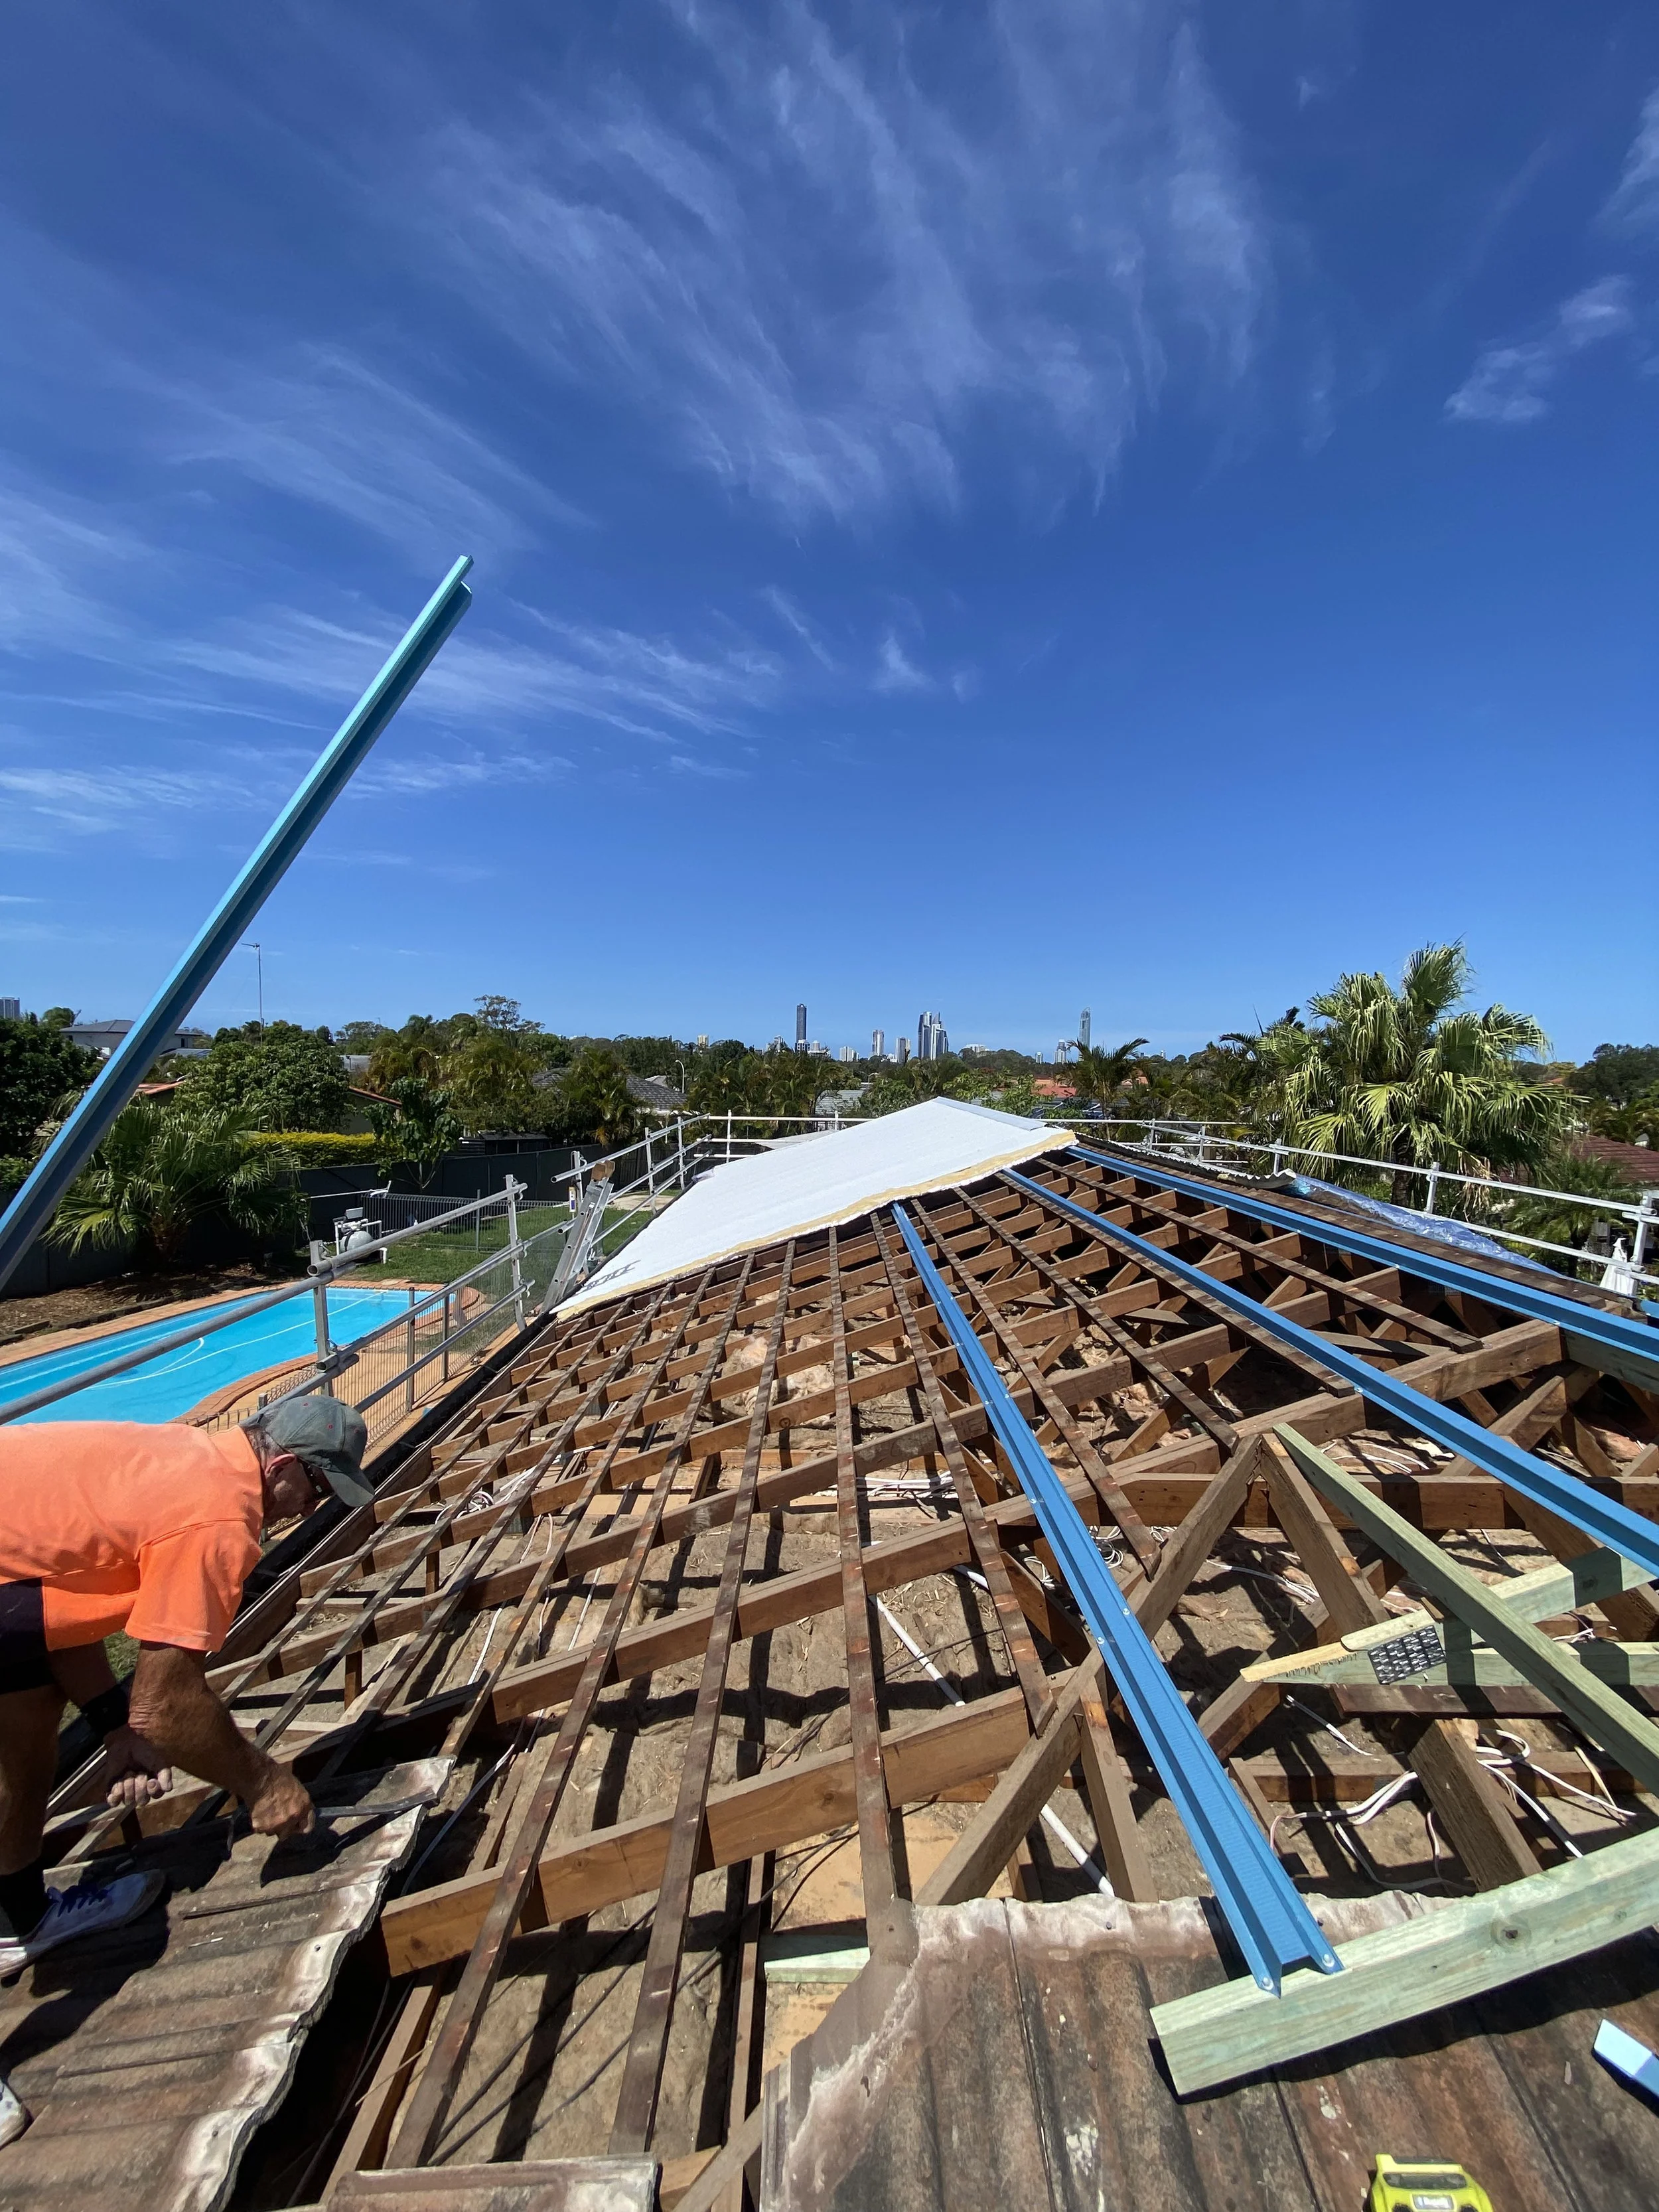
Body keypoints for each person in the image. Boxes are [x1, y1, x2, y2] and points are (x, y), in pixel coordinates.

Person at [0, 1396, 370, 1983]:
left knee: (28, 1714)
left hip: (11, 1585)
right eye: (317, 1490)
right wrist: (266, 1784)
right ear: (281, 1468)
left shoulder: (192, 1455)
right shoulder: (219, 1515)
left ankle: (17, 1919)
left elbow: (61, 1599)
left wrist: (113, 1727)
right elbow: (166, 1706)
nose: (309, 1510)